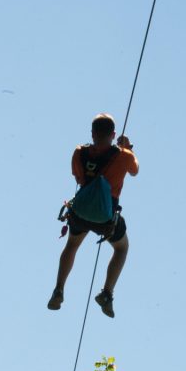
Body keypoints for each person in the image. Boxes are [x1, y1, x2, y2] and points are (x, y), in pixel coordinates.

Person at [47, 113, 139, 318]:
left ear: (93, 133)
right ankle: (107, 293)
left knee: (72, 245)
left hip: (80, 212)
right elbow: (135, 171)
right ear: (113, 134)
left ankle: (59, 289)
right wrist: (128, 147)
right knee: (122, 248)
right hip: (105, 219)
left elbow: (78, 177)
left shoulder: (79, 152)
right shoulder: (124, 155)